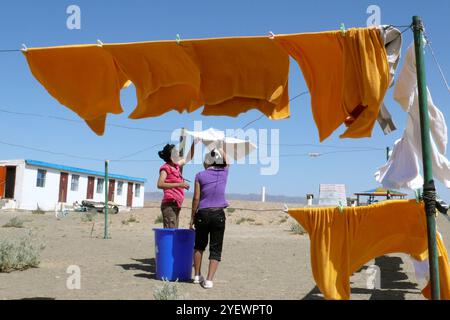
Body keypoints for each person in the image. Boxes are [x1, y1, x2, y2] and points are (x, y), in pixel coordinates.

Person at [190, 147, 229, 289]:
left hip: (202, 214)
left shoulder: (199, 175)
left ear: (207, 161)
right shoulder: (224, 172)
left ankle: (196, 275)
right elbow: (228, 160)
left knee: (199, 246)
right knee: (216, 248)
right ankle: (209, 280)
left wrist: (192, 218)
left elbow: (196, 198)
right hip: (218, 214)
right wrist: (220, 147)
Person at [157, 140, 197, 229]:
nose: (178, 153)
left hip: (176, 204)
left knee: (174, 231)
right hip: (169, 204)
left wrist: (194, 143)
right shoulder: (165, 168)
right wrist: (179, 184)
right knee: (171, 232)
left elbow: (188, 158)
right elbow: (160, 184)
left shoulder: (176, 166)